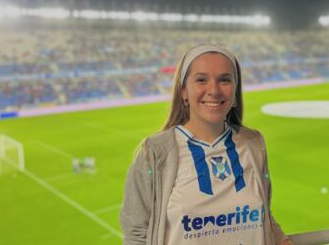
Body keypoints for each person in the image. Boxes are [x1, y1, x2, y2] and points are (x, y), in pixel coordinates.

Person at [120, 44, 292, 245]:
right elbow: (136, 235)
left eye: (225, 80)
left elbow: (263, 217)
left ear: (235, 90)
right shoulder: (155, 152)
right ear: (184, 91)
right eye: (201, 80)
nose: (214, 90)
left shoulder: (254, 144)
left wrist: (282, 241)